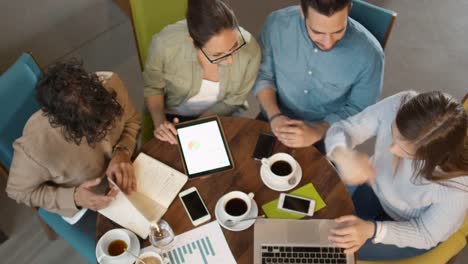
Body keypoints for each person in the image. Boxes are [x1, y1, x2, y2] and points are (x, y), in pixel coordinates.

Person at [325, 91, 468, 260]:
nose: (391, 150)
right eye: (393, 134)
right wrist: (342, 154)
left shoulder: (458, 187)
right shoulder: (399, 104)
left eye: (405, 152)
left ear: (432, 158)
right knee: (326, 226)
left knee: (333, 246)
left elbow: (426, 234)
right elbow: (345, 128)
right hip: (375, 189)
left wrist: (372, 230)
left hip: (411, 230)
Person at [6, 59, 141, 218]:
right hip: (87, 204)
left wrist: (122, 151)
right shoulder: (34, 148)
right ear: (57, 120)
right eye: (89, 130)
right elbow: (18, 192)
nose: (100, 133)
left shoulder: (112, 83)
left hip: (129, 167)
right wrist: (75, 198)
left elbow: (132, 121)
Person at [253, 0, 384, 153]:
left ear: (349, 9)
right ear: (302, 11)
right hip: (274, 114)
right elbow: (263, 75)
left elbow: (359, 108)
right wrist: (275, 116)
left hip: (328, 131)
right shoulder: (275, 25)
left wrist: (317, 131)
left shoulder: (370, 55)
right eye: (317, 32)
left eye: (338, 31)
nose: (328, 44)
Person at [143, 0, 261, 145]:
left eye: (234, 46)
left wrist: (194, 129)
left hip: (223, 115)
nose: (230, 60)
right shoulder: (164, 45)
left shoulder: (250, 49)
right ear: (193, 43)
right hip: (171, 117)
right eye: (218, 54)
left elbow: (233, 101)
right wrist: (161, 124)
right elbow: (154, 88)